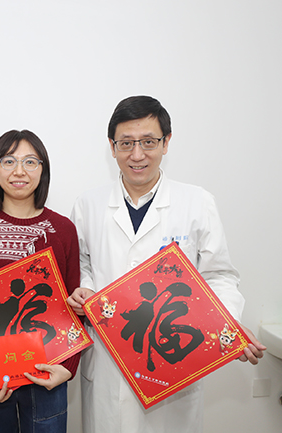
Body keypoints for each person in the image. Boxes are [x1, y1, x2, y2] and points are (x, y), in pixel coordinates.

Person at [67, 96, 266, 433]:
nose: (137, 154)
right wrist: (84, 289)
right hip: (107, 362)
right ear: (112, 147)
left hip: (172, 364)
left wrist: (227, 325)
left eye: (148, 142)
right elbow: (83, 264)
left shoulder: (197, 202)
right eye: (126, 143)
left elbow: (219, 275)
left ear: (166, 142)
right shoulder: (88, 205)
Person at [0, 130, 81, 433]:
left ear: (43, 169)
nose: (19, 171)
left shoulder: (62, 229)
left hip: (49, 371)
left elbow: (75, 306)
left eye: (30, 162)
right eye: (9, 161)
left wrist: (68, 367)